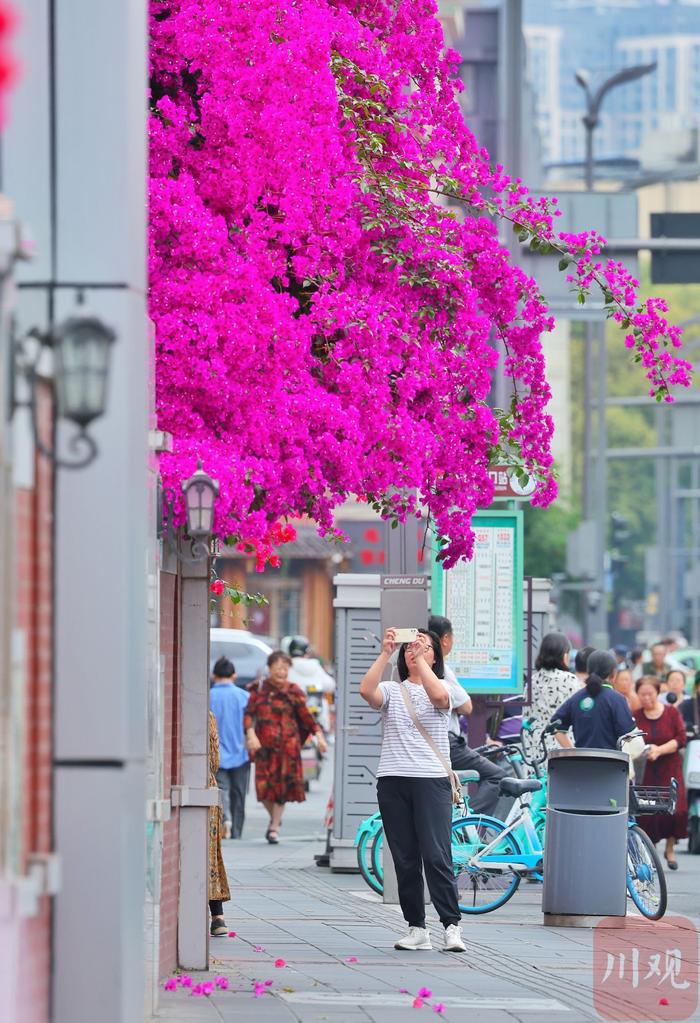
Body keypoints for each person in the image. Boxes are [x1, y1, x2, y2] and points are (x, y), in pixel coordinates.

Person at [359, 627, 466, 953]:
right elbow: (366, 691)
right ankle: (416, 928)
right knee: (404, 859)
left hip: (431, 780)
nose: (414, 649)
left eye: (423, 646)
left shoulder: (443, 686)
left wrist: (422, 664)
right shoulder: (393, 689)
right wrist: (385, 652)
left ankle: (451, 927)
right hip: (393, 779)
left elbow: (438, 699)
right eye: (409, 646)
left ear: (435, 656)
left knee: (436, 856)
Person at [244, 650, 328, 843]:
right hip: (263, 747)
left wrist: (319, 736)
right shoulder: (258, 690)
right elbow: (248, 714)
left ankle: (274, 827)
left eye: (285, 669)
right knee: (263, 788)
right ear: (269, 668)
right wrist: (250, 733)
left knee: (281, 788)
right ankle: (275, 818)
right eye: (277, 668)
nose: (281, 672)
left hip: (288, 747)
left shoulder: (294, 691)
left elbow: (307, 717)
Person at [429, 614, 507, 815]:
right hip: (447, 743)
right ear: (446, 639)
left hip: (428, 743)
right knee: (496, 776)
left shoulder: (416, 668)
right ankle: (467, 823)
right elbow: (467, 706)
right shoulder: (441, 669)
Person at [633, 676, 688, 869]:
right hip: (646, 769)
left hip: (670, 766)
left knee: (675, 810)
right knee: (649, 811)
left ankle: (670, 849)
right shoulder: (636, 715)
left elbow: (681, 738)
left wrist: (659, 749)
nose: (646, 698)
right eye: (642, 694)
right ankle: (652, 851)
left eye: (650, 694)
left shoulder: (672, 713)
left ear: (658, 693)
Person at [552, 650, 635, 751]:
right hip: (611, 763)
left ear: (588, 671)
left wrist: (574, 752)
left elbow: (555, 727)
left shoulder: (576, 698)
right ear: (613, 674)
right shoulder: (617, 699)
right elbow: (630, 737)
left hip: (582, 764)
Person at [522, 632, 579, 764]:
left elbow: (526, 715)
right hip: (562, 749)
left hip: (535, 751)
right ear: (563, 654)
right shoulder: (569, 680)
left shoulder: (532, 681)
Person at [210, 656, 250, 839]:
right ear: (234, 675)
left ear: (213, 676)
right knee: (239, 794)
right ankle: (237, 833)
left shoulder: (208, 696)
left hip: (217, 754)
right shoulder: (244, 697)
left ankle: (224, 820)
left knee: (221, 789)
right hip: (241, 753)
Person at [208, 711, 231, 935]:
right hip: (206, 788)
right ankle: (217, 916)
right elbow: (215, 761)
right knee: (210, 856)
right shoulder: (207, 716)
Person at [287, 636, 335, 733]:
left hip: (291, 718)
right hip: (316, 717)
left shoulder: (285, 667)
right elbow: (330, 685)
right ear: (307, 652)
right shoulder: (315, 667)